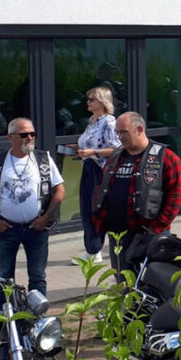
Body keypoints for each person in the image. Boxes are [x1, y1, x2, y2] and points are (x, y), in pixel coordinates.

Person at [0, 118, 65, 308]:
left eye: (33, 134)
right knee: (4, 277)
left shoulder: (43, 158)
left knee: (38, 276)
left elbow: (59, 190)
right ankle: (8, 319)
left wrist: (46, 217)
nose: (30, 138)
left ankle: (37, 321)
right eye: (24, 134)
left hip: (37, 228)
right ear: (10, 137)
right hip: (5, 229)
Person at [91, 112, 181, 272]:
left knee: (152, 282)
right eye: (118, 132)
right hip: (118, 236)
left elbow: (177, 193)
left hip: (150, 235)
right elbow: (102, 188)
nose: (119, 137)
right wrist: (99, 221)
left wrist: (158, 226)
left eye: (124, 132)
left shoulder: (164, 157)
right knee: (123, 282)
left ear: (140, 129)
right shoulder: (116, 156)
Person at [71, 87, 120, 265]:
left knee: (96, 209)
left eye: (92, 99)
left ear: (102, 101)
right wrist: (79, 150)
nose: (88, 102)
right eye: (88, 99)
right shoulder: (91, 121)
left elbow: (116, 149)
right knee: (86, 208)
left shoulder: (109, 122)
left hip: (101, 170)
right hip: (89, 167)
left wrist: (94, 152)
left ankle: (95, 249)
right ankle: (92, 248)